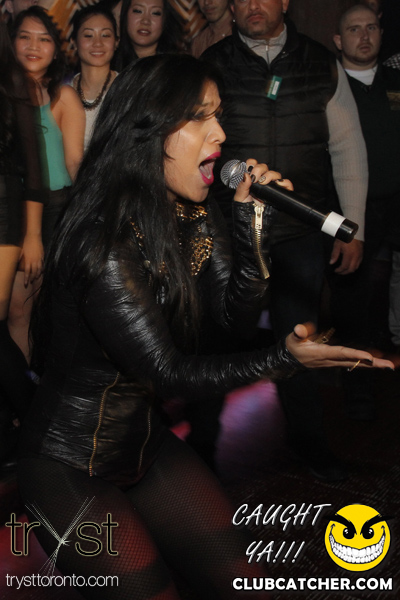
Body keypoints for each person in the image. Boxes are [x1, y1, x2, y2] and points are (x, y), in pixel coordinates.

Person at [17, 54, 391, 600]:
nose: (220, 133)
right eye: (199, 117)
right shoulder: (103, 240)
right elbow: (168, 373)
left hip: (144, 444)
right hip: (66, 465)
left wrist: (250, 227)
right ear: (147, 129)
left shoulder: (190, 210)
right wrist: (284, 359)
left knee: (240, 582)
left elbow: (232, 321)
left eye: (218, 115)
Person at [202, 0, 369, 481]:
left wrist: (353, 226)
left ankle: (309, 443)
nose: (253, 5)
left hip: (300, 233)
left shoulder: (320, 62)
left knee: (300, 341)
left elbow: (348, 147)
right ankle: (201, 451)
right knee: (216, 343)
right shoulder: (213, 64)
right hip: (232, 232)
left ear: (285, 3)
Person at [9, 6, 84, 363]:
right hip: (11, 206)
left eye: (44, 39)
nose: (33, 46)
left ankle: (36, 383)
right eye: (24, 37)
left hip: (53, 210)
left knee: (31, 308)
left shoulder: (63, 97)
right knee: (16, 309)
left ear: (56, 49)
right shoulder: (7, 95)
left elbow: (74, 162)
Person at [333, 4, 400, 377]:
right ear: (338, 40)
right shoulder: (331, 85)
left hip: (396, 204)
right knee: (353, 289)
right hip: (350, 208)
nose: (364, 36)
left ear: (381, 33)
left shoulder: (395, 80)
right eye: (354, 29)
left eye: (371, 27)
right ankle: (355, 376)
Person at [0, 21, 43, 464]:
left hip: (4, 211)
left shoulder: (12, 80)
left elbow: (33, 169)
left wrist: (32, 235)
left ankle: (35, 415)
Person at [71, 4, 119, 150]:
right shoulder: (62, 91)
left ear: (116, 42)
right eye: (88, 35)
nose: (98, 43)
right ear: (74, 43)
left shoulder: (128, 89)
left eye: (105, 35)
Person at [114, 0, 186, 70]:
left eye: (155, 13)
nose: (145, 21)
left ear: (165, 20)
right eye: (138, 11)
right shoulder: (111, 64)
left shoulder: (178, 66)